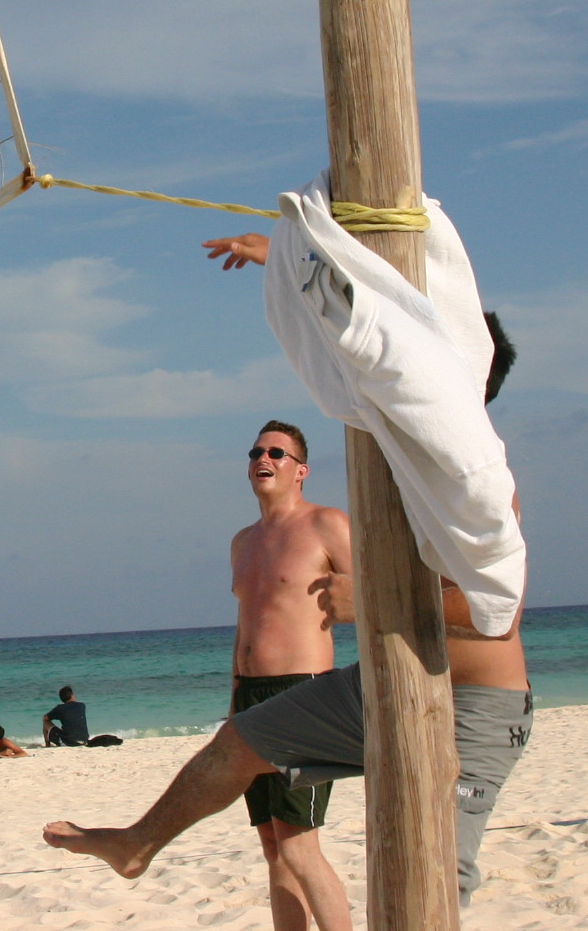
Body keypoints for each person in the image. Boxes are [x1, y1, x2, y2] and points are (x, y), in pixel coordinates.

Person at [47, 236, 532, 911]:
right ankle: (138, 843)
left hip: (473, 705)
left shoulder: (474, 476)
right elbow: (362, 336)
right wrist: (287, 258)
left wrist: (374, 602)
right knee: (238, 743)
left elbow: (497, 614)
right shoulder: (392, 451)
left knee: (431, 880)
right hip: (384, 684)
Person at [226, 419, 354, 931]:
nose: (263, 458)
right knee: (272, 845)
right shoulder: (242, 541)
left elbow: (375, 594)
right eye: (256, 451)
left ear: (301, 470)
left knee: (299, 844)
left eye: (277, 453)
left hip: (304, 694)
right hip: (250, 697)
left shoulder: (326, 524)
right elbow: (246, 624)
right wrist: (234, 697)